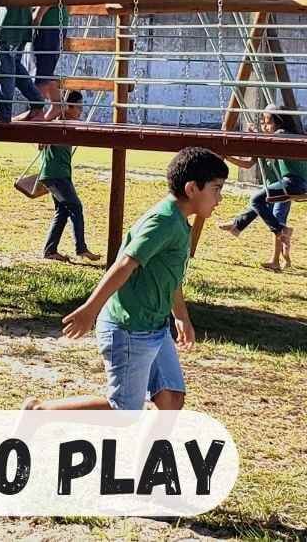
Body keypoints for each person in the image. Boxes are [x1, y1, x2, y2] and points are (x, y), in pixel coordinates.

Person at [24, 147, 229, 411]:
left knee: (171, 399)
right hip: (130, 329)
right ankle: (39, 412)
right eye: (216, 189)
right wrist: (90, 310)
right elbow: (124, 264)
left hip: (155, 327)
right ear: (192, 189)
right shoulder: (163, 222)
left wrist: (181, 316)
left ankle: (145, 454)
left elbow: (170, 275)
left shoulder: (178, 221)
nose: (220, 198)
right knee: (123, 412)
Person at [219, 104, 305, 270]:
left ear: (279, 122)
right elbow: (247, 164)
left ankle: (279, 242)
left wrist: (255, 136)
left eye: (268, 122)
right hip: (279, 185)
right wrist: (228, 157)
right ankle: (239, 226)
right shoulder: (267, 143)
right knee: (258, 206)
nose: (265, 126)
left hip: (290, 184)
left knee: (265, 208)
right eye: (263, 123)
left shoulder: (280, 135)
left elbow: (274, 139)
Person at [36, 91, 99, 262]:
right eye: (79, 107)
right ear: (68, 106)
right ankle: (81, 249)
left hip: (60, 174)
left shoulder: (69, 123)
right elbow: (40, 143)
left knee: (62, 211)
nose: (81, 111)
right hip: (55, 175)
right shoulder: (57, 123)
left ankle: (50, 251)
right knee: (75, 207)